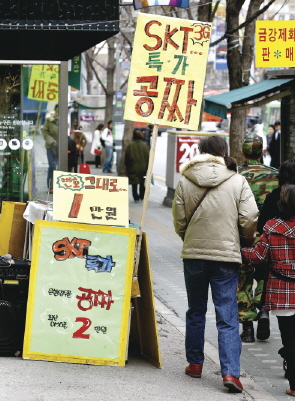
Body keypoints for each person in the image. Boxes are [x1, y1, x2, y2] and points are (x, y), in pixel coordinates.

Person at [172, 135, 258, 393]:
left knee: (195, 310)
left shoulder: (186, 179)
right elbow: (250, 215)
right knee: (227, 316)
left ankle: (195, 364)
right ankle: (230, 373)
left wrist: (187, 237)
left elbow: (179, 217)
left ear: (200, 152)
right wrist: (244, 239)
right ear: (224, 153)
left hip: (194, 256)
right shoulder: (237, 180)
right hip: (226, 257)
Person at [241, 183, 295, 398]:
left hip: (282, 293)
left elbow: (257, 257)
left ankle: (293, 384)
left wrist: (240, 250)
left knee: (289, 341)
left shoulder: (272, 228)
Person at [238, 133, 278, 342]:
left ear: (243, 152)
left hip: (243, 237)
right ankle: (263, 310)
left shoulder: (235, 176)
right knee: (265, 276)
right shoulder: (276, 175)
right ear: (262, 152)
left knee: (242, 279)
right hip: (267, 237)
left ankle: (246, 328)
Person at [125, 129, 149, 202]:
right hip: (143, 167)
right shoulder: (144, 145)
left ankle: (136, 197)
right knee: (142, 182)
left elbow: (127, 157)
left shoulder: (130, 145)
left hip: (133, 167)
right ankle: (142, 195)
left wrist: (126, 166)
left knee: (134, 183)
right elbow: (147, 157)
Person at [42, 104, 58, 194]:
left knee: (61, 166)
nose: (58, 113)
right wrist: (51, 142)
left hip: (61, 146)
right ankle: (51, 186)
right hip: (50, 146)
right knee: (52, 165)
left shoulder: (63, 120)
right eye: (57, 111)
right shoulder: (49, 120)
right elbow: (44, 132)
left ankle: (60, 185)